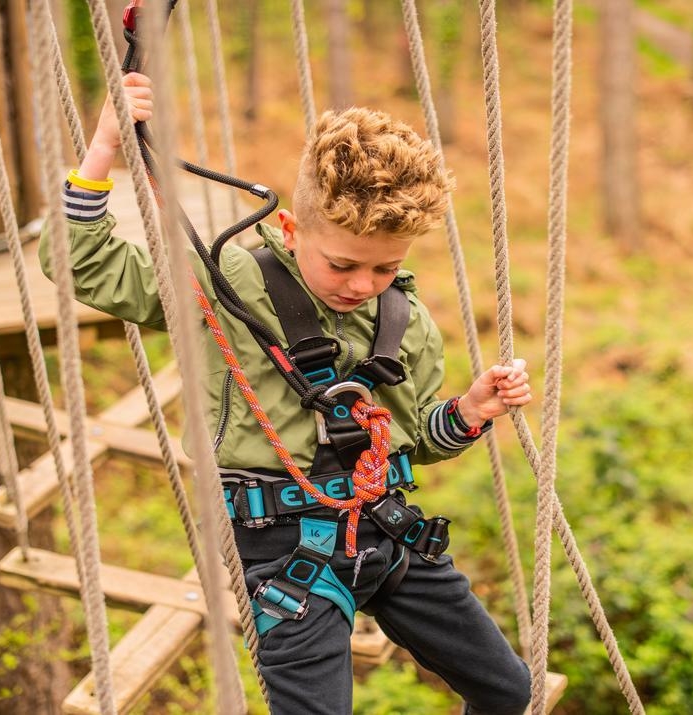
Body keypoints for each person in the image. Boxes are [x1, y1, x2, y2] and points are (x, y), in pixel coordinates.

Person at [42, 72, 534, 715]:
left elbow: (411, 441)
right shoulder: (228, 285)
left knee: (507, 689)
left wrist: (469, 412)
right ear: (294, 230)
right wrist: (105, 146)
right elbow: (82, 262)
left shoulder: (405, 322)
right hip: (283, 552)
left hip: (386, 534)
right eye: (343, 264)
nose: (362, 284)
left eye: (384, 267)